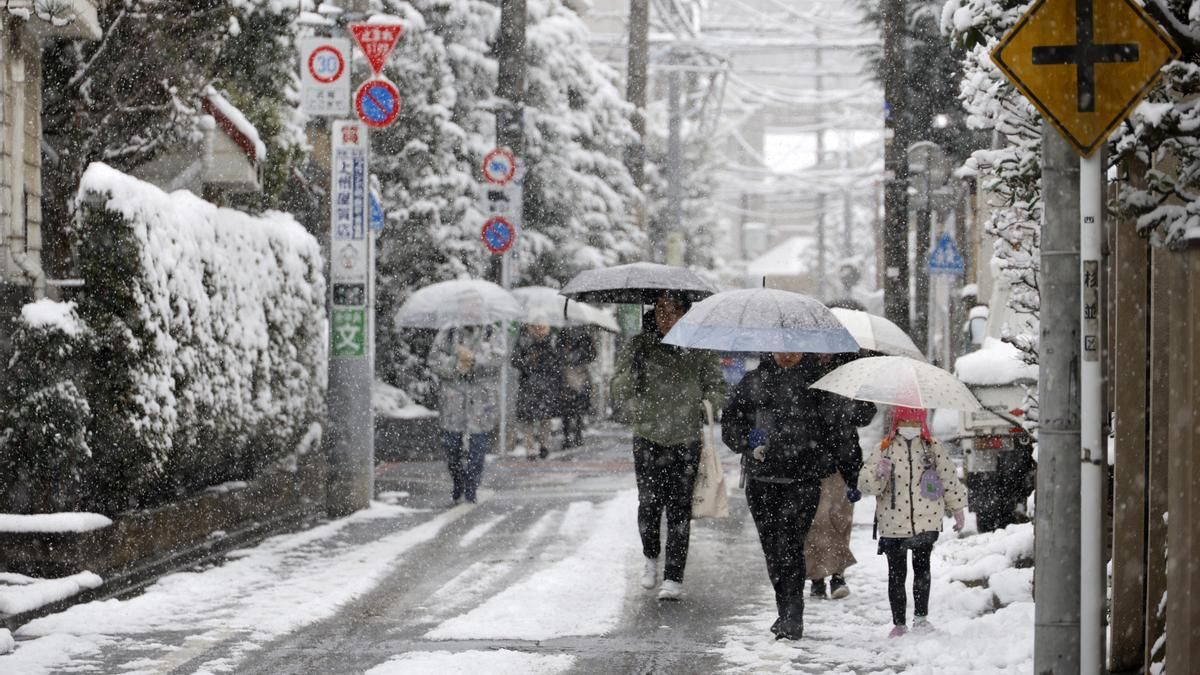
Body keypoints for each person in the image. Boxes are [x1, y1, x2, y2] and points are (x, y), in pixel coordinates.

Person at [722, 350, 845, 640]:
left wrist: (823, 458)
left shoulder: (819, 382)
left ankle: (792, 616)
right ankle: (785, 609)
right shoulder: (752, 381)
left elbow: (835, 428)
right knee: (772, 550)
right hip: (761, 479)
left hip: (802, 480)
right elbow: (731, 424)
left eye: (794, 350)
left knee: (790, 545)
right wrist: (748, 444)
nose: (787, 355)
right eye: (781, 349)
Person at [611, 293, 726, 602]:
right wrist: (633, 374)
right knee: (649, 504)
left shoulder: (699, 346)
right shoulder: (639, 345)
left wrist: (703, 406)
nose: (666, 317)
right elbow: (618, 389)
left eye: (674, 310)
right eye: (661, 309)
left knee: (679, 509)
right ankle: (650, 556)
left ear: (685, 313)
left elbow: (717, 388)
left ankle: (674, 577)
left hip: (686, 439)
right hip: (648, 436)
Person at [859, 406, 969, 638]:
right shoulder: (884, 449)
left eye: (915, 422)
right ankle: (899, 623)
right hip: (893, 522)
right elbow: (866, 485)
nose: (910, 427)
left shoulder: (933, 447)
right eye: (905, 422)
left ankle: (921, 618)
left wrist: (957, 508)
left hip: (926, 521)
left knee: (922, 570)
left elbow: (948, 478)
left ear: (922, 422)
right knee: (896, 574)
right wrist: (878, 473)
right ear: (896, 422)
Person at [807, 355, 877, 600]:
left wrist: (851, 404)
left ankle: (837, 575)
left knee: (840, 520)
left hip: (846, 461)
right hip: (812, 461)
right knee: (817, 522)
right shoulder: (805, 372)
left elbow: (865, 415)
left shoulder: (850, 371)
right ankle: (817, 577)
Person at [430, 324, 503, 504]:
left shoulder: (491, 332)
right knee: (452, 447)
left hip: (481, 400)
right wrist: (456, 364)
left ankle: (472, 486)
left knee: (478, 447)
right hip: (453, 400)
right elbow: (434, 360)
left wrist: (475, 359)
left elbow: (499, 358)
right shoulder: (448, 333)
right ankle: (458, 480)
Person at [512, 322, 563, 460]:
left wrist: (545, 349)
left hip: (546, 385)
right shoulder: (524, 338)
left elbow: (557, 361)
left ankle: (544, 445)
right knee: (527, 418)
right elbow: (515, 360)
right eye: (535, 325)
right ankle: (530, 449)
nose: (539, 328)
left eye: (542, 325)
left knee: (545, 417)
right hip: (528, 384)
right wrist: (528, 362)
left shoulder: (551, 339)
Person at [558, 325, 597, 448]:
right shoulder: (563, 334)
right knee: (566, 409)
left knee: (578, 409)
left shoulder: (585, 336)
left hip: (581, 374)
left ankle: (577, 434)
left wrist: (579, 355)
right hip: (566, 374)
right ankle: (568, 436)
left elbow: (592, 354)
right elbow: (557, 353)